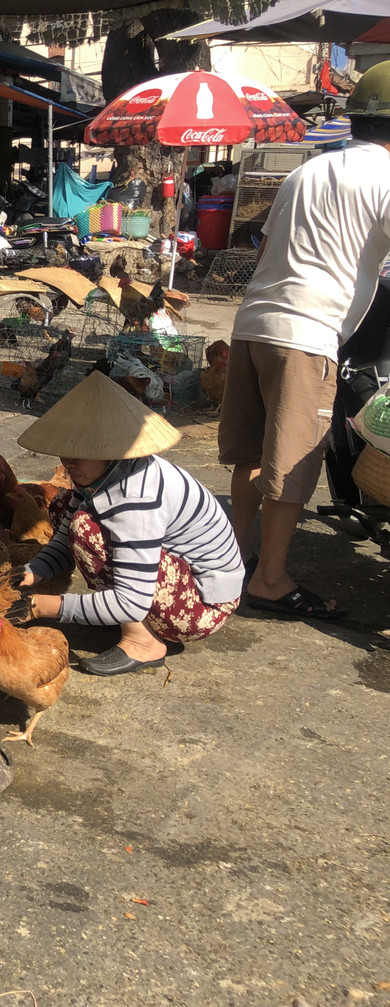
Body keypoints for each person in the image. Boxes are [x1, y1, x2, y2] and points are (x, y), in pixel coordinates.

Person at [217, 60, 390, 620]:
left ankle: (231, 562)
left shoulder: (307, 171)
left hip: (253, 324)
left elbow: (267, 253)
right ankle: (269, 581)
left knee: (250, 453)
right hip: (308, 333)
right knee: (292, 463)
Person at [18, 372, 244, 676]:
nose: (69, 461)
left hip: (202, 606)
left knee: (85, 530)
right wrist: (28, 575)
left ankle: (142, 641)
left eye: (81, 452)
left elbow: (131, 601)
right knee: (64, 507)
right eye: (66, 448)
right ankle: (122, 618)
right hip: (177, 580)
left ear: (110, 449)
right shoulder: (103, 477)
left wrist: (38, 607)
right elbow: (62, 544)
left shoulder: (136, 495)